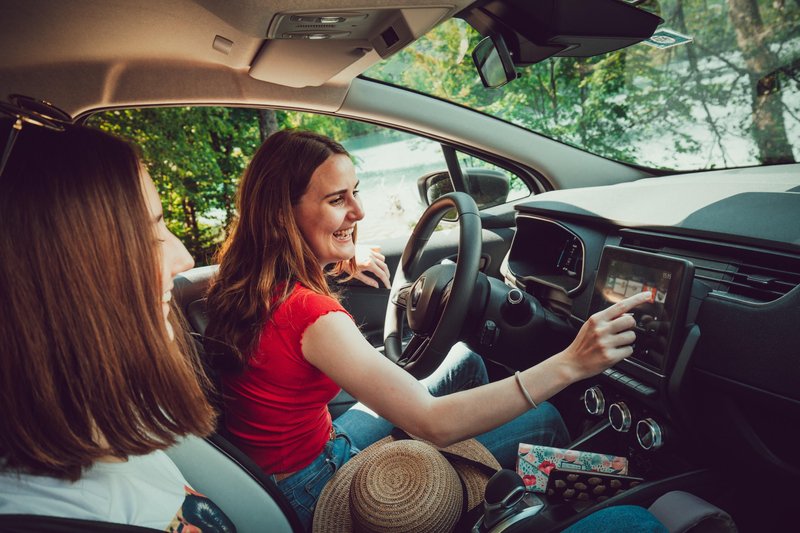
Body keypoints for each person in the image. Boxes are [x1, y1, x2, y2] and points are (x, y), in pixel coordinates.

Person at [204, 129, 653, 531]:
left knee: (465, 360)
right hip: (313, 484)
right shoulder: (311, 315)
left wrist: (341, 256)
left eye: (355, 192)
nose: (358, 210)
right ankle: (568, 500)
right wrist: (571, 364)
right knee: (545, 419)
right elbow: (434, 424)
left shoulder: (241, 280)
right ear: (283, 214)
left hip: (285, 464)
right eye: (337, 200)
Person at [0, 115, 234, 531]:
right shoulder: (48, 515)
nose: (183, 258)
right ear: (51, 280)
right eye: (145, 237)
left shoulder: (110, 415)